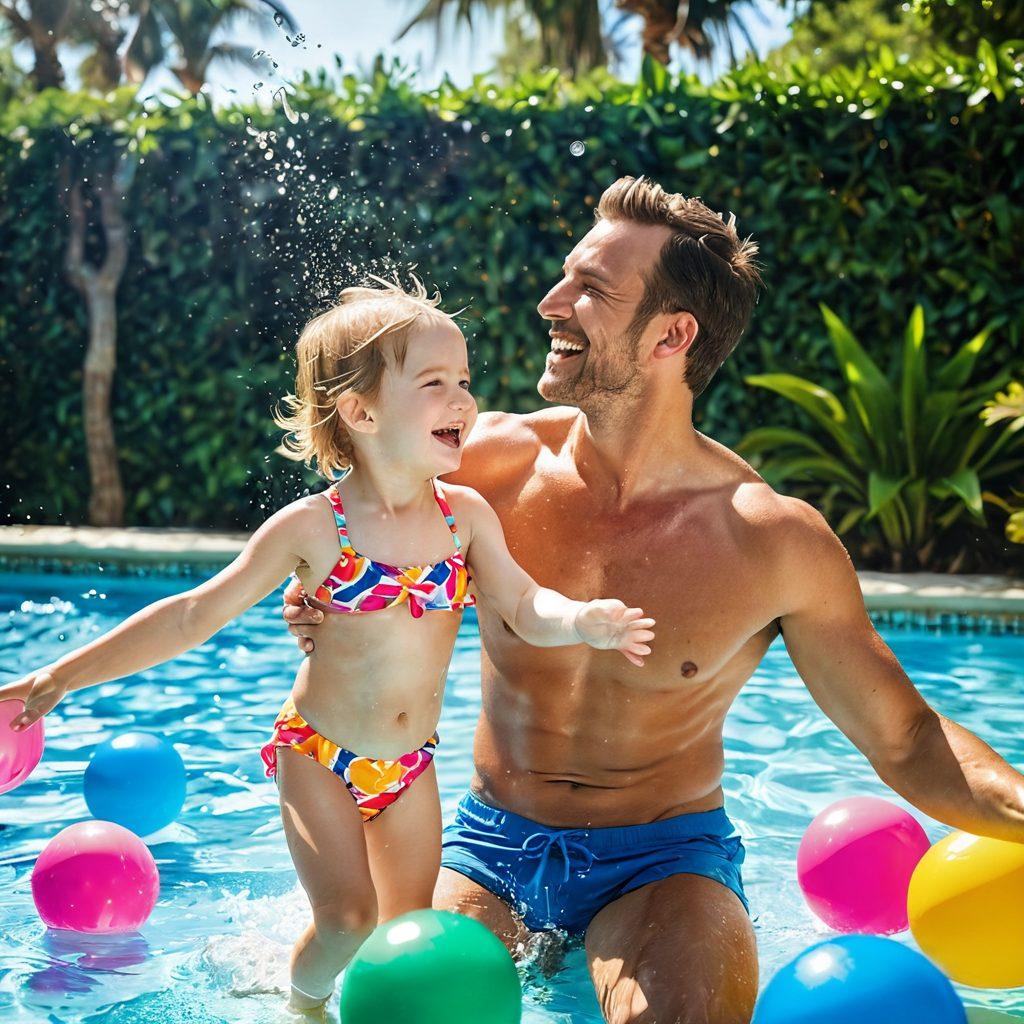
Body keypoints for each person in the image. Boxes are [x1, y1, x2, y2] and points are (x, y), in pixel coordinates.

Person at [284, 177, 1024, 1024]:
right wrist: (320, 604)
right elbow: (347, 534)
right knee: (402, 1007)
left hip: (664, 863)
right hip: (487, 848)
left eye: (591, 290)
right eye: (567, 277)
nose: (549, 302)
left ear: (673, 334)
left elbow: (909, 739)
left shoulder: (771, 542)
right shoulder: (480, 468)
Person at [0, 280, 655, 1019]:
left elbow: (523, 602)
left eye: (464, 380)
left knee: (405, 936)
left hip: (409, 767)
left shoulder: (465, 518)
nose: (464, 400)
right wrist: (63, 674)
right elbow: (192, 616)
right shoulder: (316, 528)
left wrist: (580, 620)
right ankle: (302, 1004)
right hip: (319, 756)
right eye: (435, 383)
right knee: (346, 921)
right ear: (362, 411)